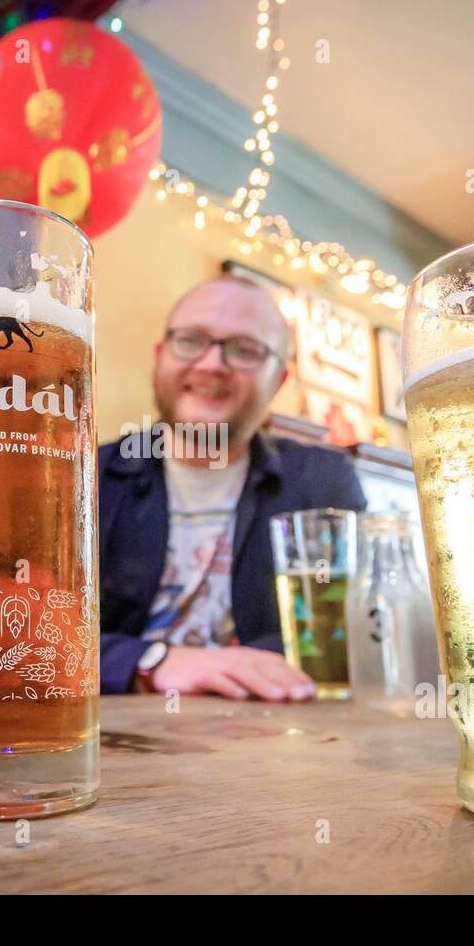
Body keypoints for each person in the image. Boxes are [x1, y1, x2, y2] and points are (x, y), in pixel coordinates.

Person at [98, 275, 368, 699]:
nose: (211, 364)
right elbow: (27, 635)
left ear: (278, 379)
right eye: (191, 340)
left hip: (274, 736)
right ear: (160, 355)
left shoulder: (322, 478)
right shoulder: (87, 476)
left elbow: (355, 627)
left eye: (244, 350)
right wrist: (151, 661)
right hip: (113, 736)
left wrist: (250, 664)